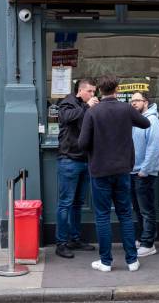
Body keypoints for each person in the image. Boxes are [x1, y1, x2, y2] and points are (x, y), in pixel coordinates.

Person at [78, 75, 150, 272]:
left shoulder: (93, 112)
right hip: (122, 170)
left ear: (100, 90)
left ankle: (106, 261)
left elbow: (82, 143)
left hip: (100, 170)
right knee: (126, 214)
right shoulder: (126, 109)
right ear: (117, 89)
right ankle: (132, 261)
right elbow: (146, 123)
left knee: (102, 216)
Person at [55, 78, 99, 258]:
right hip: (69, 161)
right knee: (65, 203)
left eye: (94, 92)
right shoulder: (68, 102)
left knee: (77, 204)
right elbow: (66, 118)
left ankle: (75, 239)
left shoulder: (87, 105)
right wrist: (87, 106)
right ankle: (61, 243)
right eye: (90, 91)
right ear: (80, 91)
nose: (93, 95)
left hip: (84, 160)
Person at [130, 91, 159, 257]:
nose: (134, 103)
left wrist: (145, 170)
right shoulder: (134, 120)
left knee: (146, 210)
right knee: (138, 209)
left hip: (144, 172)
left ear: (146, 102)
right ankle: (143, 239)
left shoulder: (152, 120)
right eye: (132, 100)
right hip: (132, 171)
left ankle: (149, 243)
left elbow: (153, 147)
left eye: (137, 100)